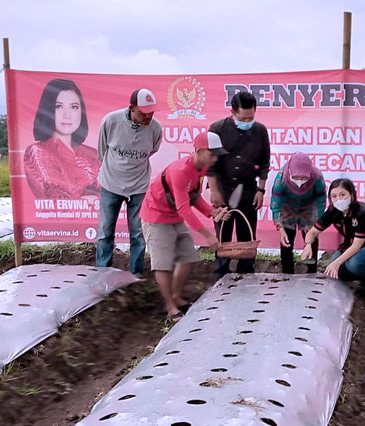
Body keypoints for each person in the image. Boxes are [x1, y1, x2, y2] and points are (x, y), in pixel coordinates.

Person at [140, 131, 226, 321]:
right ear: (199, 151)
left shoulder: (201, 168)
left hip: (173, 216)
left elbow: (193, 197)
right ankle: (170, 308)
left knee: (187, 256)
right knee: (163, 265)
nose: (215, 158)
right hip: (156, 217)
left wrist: (211, 212)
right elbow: (184, 208)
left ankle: (177, 297)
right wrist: (207, 235)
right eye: (212, 154)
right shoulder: (180, 171)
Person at [96, 88, 163, 278]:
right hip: (111, 184)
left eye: (151, 112)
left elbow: (152, 150)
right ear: (132, 108)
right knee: (105, 231)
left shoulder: (155, 128)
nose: (148, 116)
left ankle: (136, 274)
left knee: (138, 233)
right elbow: (102, 151)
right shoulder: (111, 121)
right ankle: (102, 273)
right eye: (144, 112)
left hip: (139, 187)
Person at [207, 91, 270, 277]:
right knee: (223, 234)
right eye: (243, 118)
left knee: (247, 235)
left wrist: (261, 189)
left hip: (249, 190)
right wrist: (215, 191)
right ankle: (221, 273)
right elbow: (210, 163)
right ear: (232, 112)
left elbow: (264, 161)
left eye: (250, 117)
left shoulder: (260, 130)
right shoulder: (217, 129)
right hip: (223, 189)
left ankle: (246, 273)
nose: (247, 121)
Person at [301, 178, 365, 300]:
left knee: (353, 264)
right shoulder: (333, 211)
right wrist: (308, 245)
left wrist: (337, 263)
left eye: (343, 195)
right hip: (348, 247)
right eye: (334, 196)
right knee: (333, 272)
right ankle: (361, 280)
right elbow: (313, 232)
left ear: (351, 195)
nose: (338, 199)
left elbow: (356, 246)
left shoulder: (362, 212)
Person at [24, 78, 100, 199]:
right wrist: (89, 198)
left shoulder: (92, 154)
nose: (67, 115)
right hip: (59, 218)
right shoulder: (37, 152)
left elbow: (108, 193)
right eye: (58, 107)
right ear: (47, 110)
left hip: (97, 217)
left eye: (74, 107)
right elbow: (53, 195)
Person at [270, 152, 326, 274]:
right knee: (286, 240)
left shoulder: (317, 177)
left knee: (311, 238)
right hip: (287, 208)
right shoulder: (281, 178)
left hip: (309, 207)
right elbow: (275, 204)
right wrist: (280, 228)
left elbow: (321, 200)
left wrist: (315, 223)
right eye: (296, 178)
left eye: (303, 178)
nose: (300, 181)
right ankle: (287, 272)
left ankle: (311, 271)